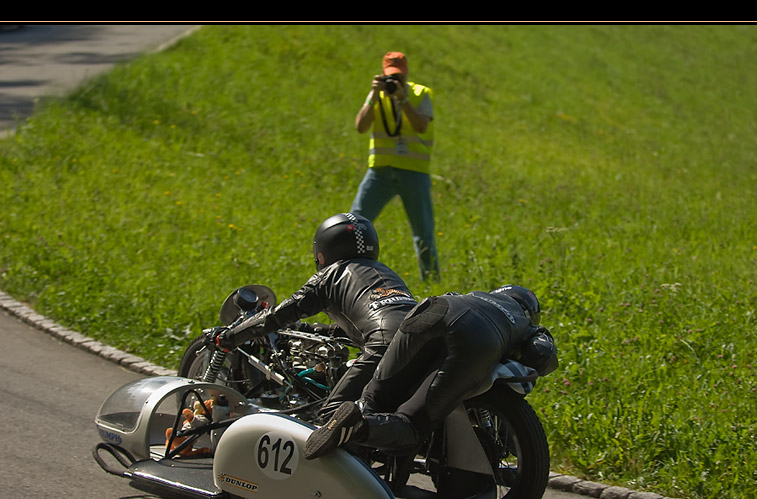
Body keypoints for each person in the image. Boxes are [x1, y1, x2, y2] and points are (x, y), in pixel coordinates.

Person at [304, 285, 559, 460]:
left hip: (437, 307)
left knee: (375, 398)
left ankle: (353, 418)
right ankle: (357, 426)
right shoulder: (526, 324)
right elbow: (542, 354)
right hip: (479, 337)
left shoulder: (473, 294)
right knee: (412, 426)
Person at [215, 213, 418, 418]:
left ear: (322, 252)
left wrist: (231, 337)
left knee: (329, 417)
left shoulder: (330, 275)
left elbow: (277, 316)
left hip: (384, 348)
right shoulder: (388, 274)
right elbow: (368, 324)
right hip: (427, 339)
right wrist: (313, 329)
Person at [352, 51, 440, 280]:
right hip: (380, 171)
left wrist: (403, 99)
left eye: (399, 76)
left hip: (413, 173)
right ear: (382, 74)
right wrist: (373, 93)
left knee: (423, 234)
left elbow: (421, 125)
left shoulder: (420, 94)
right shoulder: (376, 95)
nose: (395, 81)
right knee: (352, 226)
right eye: (391, 76)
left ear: (406, 73)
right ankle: (344, 277)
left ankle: (431, 283)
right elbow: (360, 126)